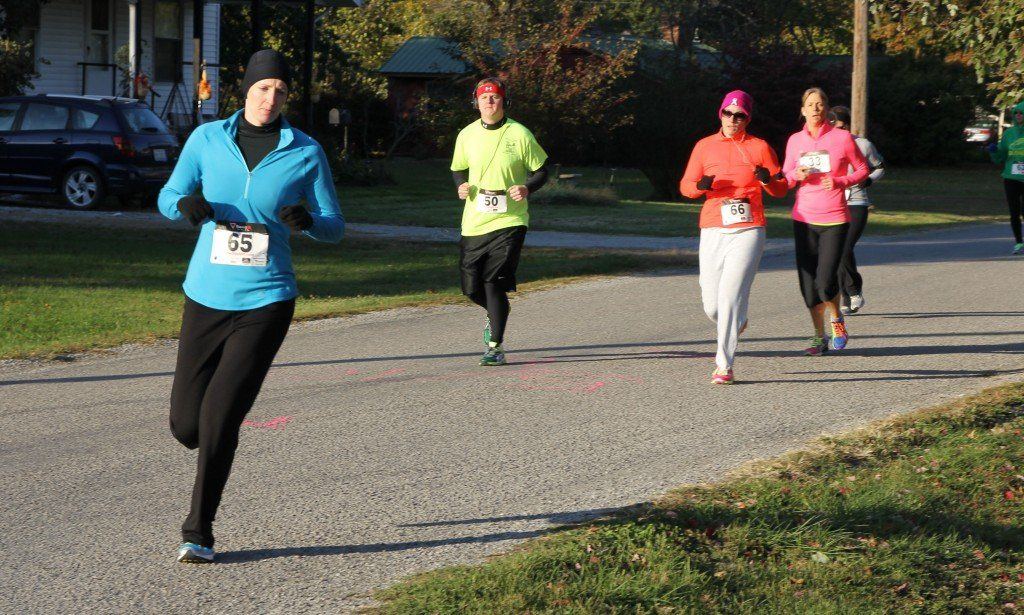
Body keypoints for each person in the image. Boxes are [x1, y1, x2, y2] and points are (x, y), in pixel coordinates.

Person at [157, 49, 344, 563]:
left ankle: (198, 531)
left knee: (220, 417)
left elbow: (335, 224)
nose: (271, 97)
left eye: (281, 90)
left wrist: (307, 222)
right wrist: (184, 206)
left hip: (267, 299)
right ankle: (209, 448)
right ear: (245, 91)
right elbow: (169, 195)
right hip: (205, 297)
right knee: (186, 426)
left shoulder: (304, 151)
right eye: (264, 88)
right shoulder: (206, 139)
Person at [680, 90, 788, 384]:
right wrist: (700, 186)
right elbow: (686, 186)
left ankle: (723, 365)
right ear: (721, 114)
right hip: (714, 227)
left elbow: (781, 187)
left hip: (748, 228)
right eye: (728, 113)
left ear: (747, 118)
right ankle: (738, 322)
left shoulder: (759, 147)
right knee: (712, 305)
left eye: (740, 115)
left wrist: (767, 179)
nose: (733, 120)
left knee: (729, 297)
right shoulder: (704, 146)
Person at [450, 78, 549, 366]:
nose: (489, 102)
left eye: (495, 97)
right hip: (475, 222)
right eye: (484, 98)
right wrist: (461, 186)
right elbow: (458, 169)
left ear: (503, 101)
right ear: (476, 102)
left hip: (510, 220)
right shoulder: (466, 135)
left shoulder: (519, 134)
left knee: (493, 281)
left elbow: (542, 170)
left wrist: (528, 187)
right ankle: (494, 314)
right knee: (471, 288)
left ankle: (495, 346)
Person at [782, 88, 869, 355]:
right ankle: (819, 336)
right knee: (808, 286)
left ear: (826, 109)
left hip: (835, 218)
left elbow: (864, 169)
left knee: (825, 282)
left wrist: (841, 181)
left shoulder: (842, 138)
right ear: (803, 110)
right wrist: (796, 173)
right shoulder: (795, 140)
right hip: (804, 218)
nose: (815, 108)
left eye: (820, 104)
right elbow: (786, 175)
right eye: (810, 104)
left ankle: (836, 320)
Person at [829, 105, 885, 315]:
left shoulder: (862, 145)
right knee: (836, 250)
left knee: (843, 247)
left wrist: (869, 180)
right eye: (834, 127)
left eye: (842, 127)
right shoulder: (824, 147)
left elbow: (880, 167)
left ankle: (853, 291)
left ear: (849, 126)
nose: (838, 132)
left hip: (857, 203)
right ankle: (847, 294)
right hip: (833, 204)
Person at [989, 101, 1024, 254]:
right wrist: (994, 151)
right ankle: (1018, 242)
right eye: (1016, 113)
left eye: (1021, 113)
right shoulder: (1009, 134)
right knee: (1014, 212)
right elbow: (1001, 157)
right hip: (1011, 177)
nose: (1018, 116)